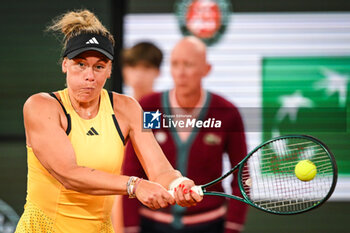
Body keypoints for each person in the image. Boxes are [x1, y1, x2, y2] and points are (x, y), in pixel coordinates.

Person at [15, 10, 202, 233]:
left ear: (110, 70)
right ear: (65, 64)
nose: (90, 76)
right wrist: (135, 185)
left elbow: (160, 170)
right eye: (80, 64)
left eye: (99, 66)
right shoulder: (40, 106)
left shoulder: (130, 108)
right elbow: (69, 174)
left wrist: (177, 184)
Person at [122, 36, 248, 233]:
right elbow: (131, 170)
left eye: (188, 65)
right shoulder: (151, 108)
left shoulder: (226, 113)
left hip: (209, 224)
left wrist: (232, 227)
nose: (180, 73)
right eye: (175, 64)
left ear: (206, 69)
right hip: (152, 224)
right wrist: (130, 227)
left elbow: (242, 175)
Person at [111, 41, 164, 233]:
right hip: (114, 192)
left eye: (147, 68)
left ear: (157, 72)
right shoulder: (113, 108)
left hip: (151, 201)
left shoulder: (155, 111)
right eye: (133, 67)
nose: (139, 75)